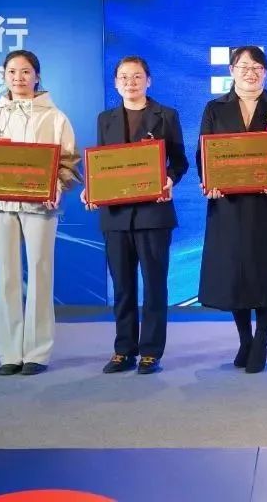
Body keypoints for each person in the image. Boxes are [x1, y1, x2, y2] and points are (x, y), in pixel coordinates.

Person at [0, 50, 81, 376]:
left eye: (25, 71)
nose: (18, 78)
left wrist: (57, 186)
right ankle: (10, 353)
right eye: (12, 72)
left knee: (40, 274)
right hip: (0, 205)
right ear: (3, 76)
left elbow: (69, 165)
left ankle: (37, 352)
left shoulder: (55, 118)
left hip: (40, 207)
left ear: (37, 76)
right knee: (7, 276)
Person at [195, 46, 267, 374]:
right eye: (244, 66)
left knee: (266, 272)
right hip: (228, 203)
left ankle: (262, 340)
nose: (250, 73)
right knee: (234, 273)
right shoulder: (215, 108)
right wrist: (209, 182)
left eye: (257, 67)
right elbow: (203, 152)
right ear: (232, 70)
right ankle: (245, 339)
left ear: (265, 72)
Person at [82, 56, 189, 375]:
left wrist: (169, 179)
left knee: (154, 285)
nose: (131, 82)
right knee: (122, 286)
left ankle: (151, 352)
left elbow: (180, 162)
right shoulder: (105, 119)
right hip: (116, 216)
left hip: (153, 214)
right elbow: (102, 164)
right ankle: (123, 350)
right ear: (116, 83)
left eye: (137, 76)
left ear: (148, 80)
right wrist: (92, 189)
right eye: (124, 77)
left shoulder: (166, 115)